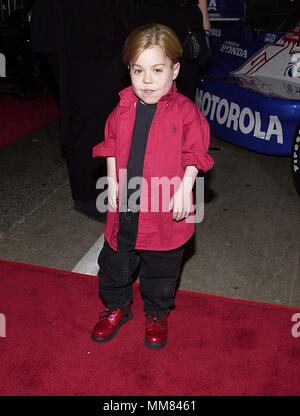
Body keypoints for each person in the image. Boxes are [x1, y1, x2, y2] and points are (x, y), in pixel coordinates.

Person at [91, 23, 214, 349]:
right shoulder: (121, 108)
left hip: (164, 205)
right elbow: (110, 145)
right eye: (138, 71)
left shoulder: (187, 112)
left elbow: (196, 153)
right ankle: (118, 305)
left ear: (174, 70)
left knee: (162, 268)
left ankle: (157, 313)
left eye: (157, 70)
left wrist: (186, 188)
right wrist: (113, 181)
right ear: (128, 70)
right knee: (115, 264)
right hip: (126, 205)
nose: (147, 80)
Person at [30, 0, 135, 221]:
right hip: (83, 22)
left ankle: (102, 189)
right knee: (90, 109)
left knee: (98, 107)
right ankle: (91, 195)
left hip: (90, 22)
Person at [133, 0, 211, 101]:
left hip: (188, 22)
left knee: (186, 86)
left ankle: (183, 116)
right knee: (152, 82)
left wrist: (205, 24)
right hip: (154, 17)